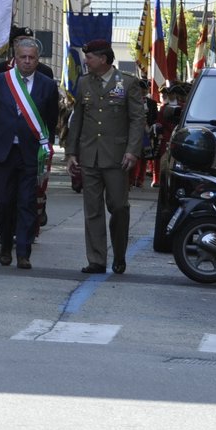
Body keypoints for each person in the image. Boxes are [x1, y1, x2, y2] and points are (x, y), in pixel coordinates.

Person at [63, 38, 147, 275]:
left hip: (117, 157)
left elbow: (137, 119)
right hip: (89, 156)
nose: (86, 61)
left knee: (119, 207)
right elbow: (76, 120)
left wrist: (132, 150)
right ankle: (96, 259)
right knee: (93, 210)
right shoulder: (84, 83)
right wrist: (71, 153)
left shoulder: (127, 83)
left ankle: (119, 254)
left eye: (89, 58)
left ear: (103, 59)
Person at [0, 35, 60, 270]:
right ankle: (5, 246)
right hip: (5, 152)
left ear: (37, 60)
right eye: (23, 57)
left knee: (26, 203)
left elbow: (51, 120)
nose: (27, 62)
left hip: (30, 153)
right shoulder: (2, 81)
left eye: (31, 58)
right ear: (15, 58)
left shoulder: (47, 85)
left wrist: (46, 150)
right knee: (4, 203)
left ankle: (24, 252)